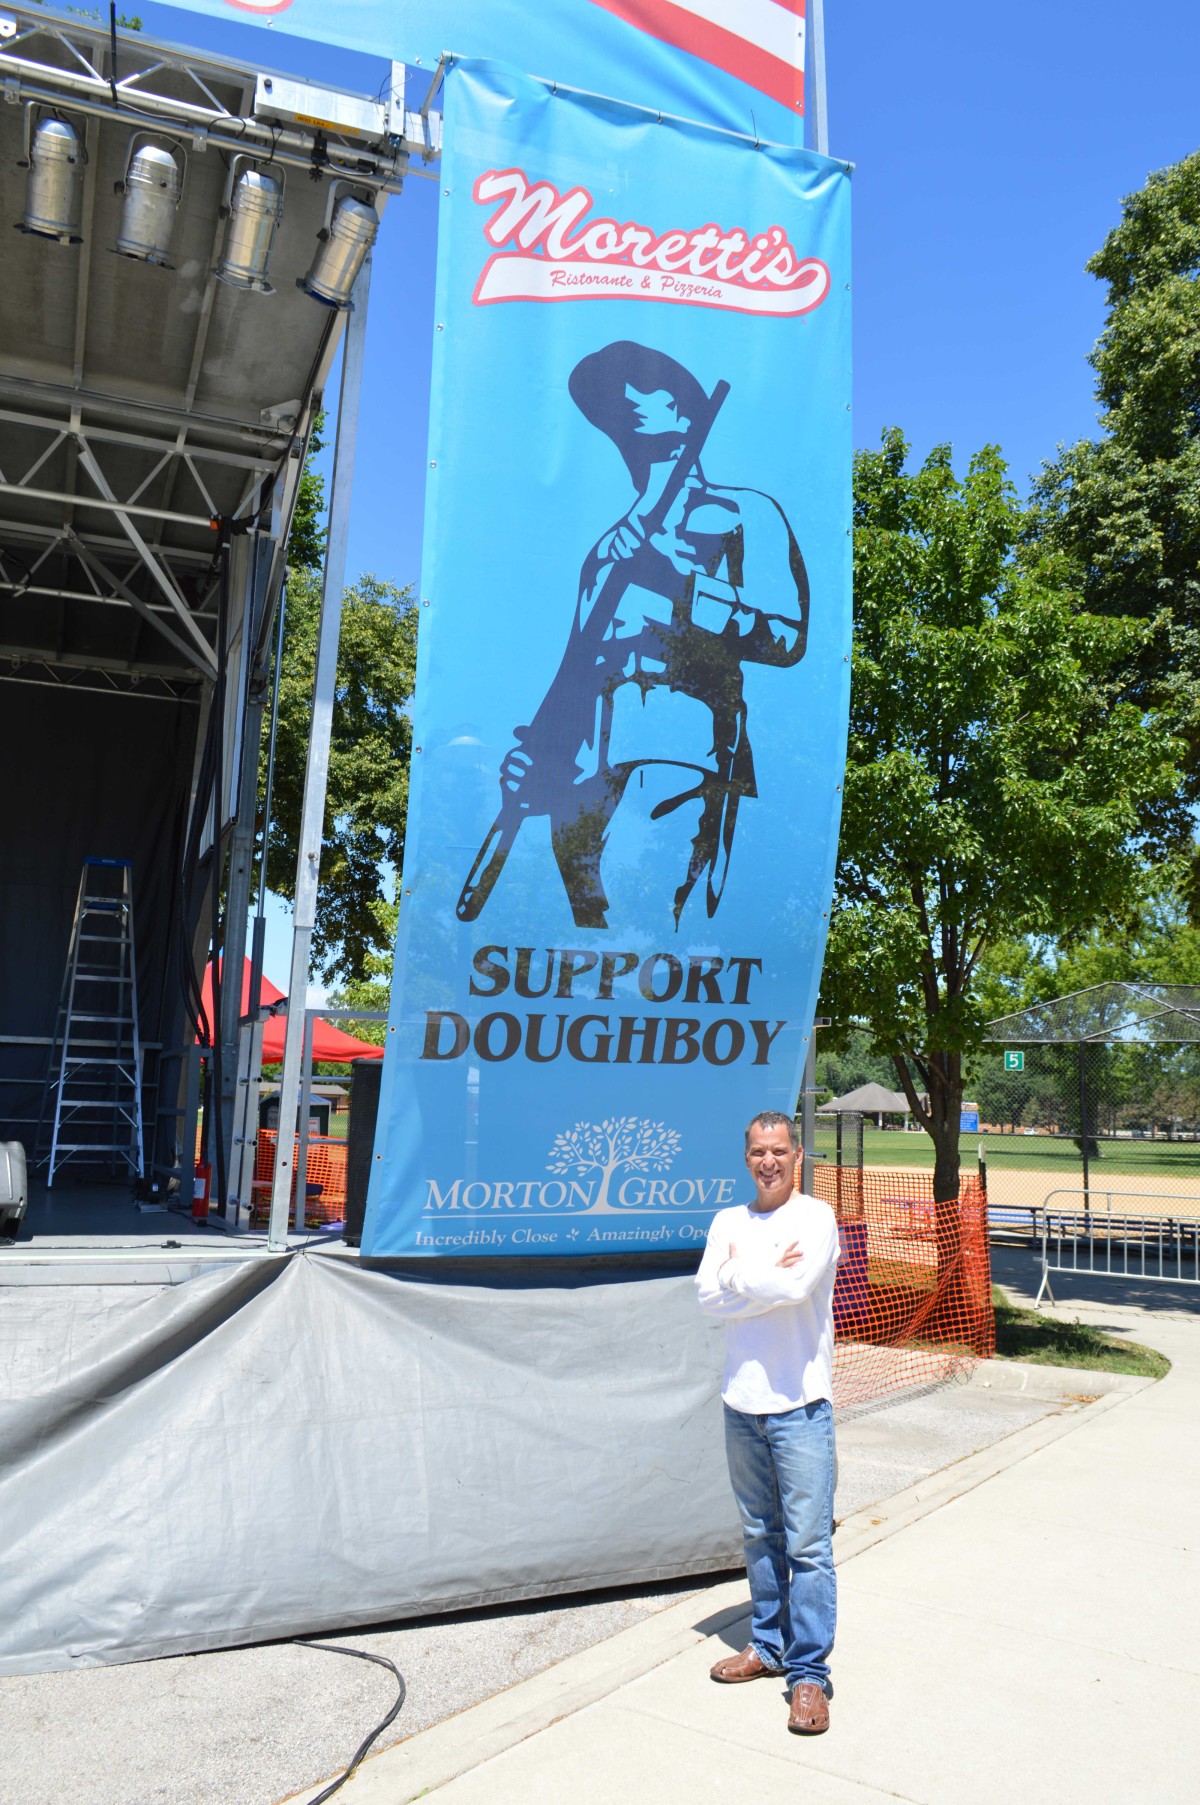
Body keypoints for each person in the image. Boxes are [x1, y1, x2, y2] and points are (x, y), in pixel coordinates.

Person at [484, 340, 809, 930]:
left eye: (644, 385)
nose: (625, 398)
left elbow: (786, 638)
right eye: (611, 392)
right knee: (592, 951)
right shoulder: (606, 549)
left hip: (681, 754)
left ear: (685, 408)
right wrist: (540, 756)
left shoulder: (743, 513)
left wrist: (679, 584)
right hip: (584, 784)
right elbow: (575, 671)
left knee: (660, 933)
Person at [695, 1109, 840, 1734]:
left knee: (808, 1546)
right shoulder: (727, 1221)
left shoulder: (816, 1218)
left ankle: (808, 1675)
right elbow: (707, 1296)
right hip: (742, 1403)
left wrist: (736, 1274)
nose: (769, 1161)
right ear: (746, 1156)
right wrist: (760, 1275)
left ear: (797, 1155)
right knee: (759, 1535)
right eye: (758, 1151)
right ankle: (768, 1644)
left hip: (801, 1405)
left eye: (779, 1150)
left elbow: (796, 1288)